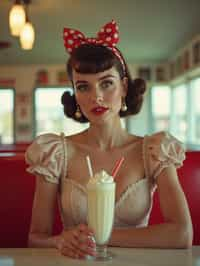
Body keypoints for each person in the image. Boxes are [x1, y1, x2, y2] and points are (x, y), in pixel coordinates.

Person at [25, 20, 193, 259]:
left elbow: (182, 234)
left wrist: (100, 235)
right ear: (75, 93)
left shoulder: (154, 150)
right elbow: (35, 237)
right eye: (84, 87)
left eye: (107, 83)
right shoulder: (56, 152)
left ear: (124, 87)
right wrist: (60, 240)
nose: (97, 97)